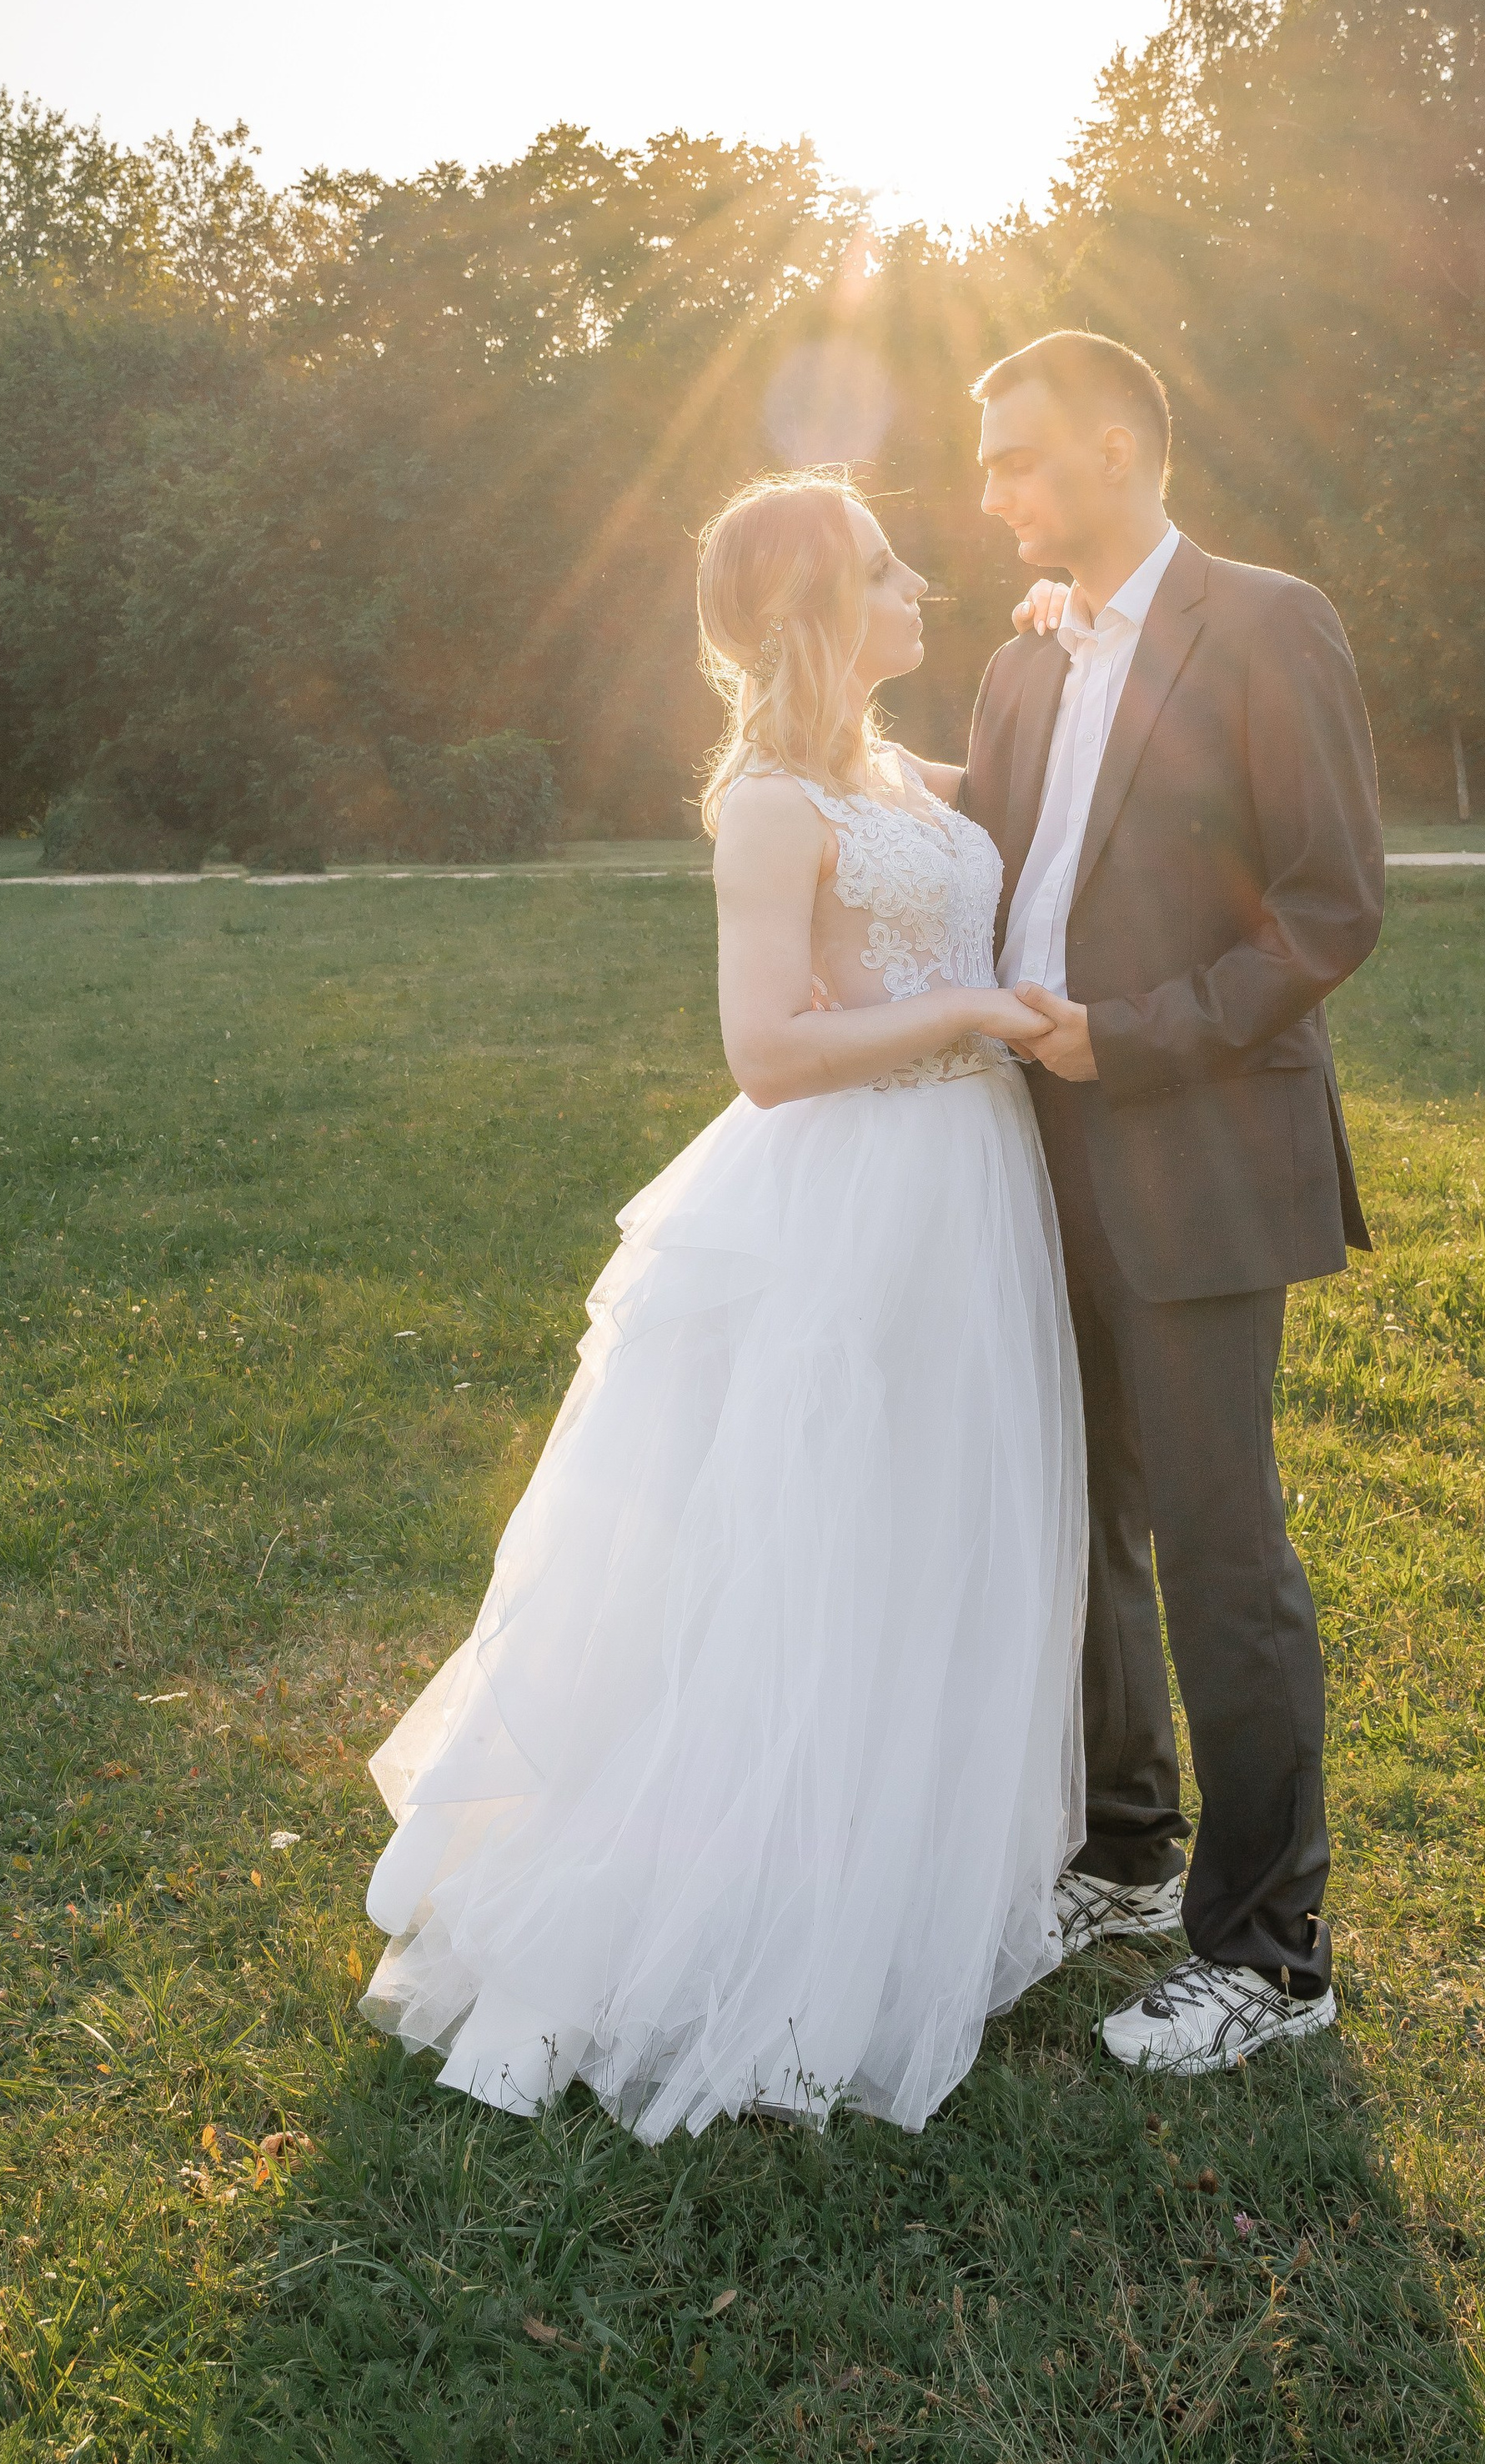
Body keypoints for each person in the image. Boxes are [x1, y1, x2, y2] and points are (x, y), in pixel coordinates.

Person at [361, 473, 1087, 2139]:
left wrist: (1071, 642)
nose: (923, 591)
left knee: (921, 1534)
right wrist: (971, 1005)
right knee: (795, 1543)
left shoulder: (895, 770)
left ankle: (882, 1864)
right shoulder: (767, 803)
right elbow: (764, 1056)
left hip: (966, 1190)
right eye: (891, 574)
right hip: (855, 1192)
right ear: (822, 608)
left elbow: (1062, 789)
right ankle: (691, 1906)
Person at [961, 330, 1383, 2075]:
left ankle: (1271, 1955)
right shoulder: (1017, 660)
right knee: (1076, 1518)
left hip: (1195, 1145)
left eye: (1018, 463)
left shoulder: (1265, 622)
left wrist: (1123, 1040)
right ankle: (1123, 1852)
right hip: (1025, 1156)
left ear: (1123, 448)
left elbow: (1324, 909)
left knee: (1220, 1549)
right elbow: (998, 858)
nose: (991, 497)